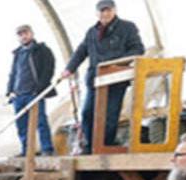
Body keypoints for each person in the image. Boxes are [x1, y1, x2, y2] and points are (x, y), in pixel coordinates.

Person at [61, 0, 145, 153]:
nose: (104, 14)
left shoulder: (127, 27)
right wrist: (69, 68)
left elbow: (138, 49)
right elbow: (81, 51)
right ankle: (90, 144)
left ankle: (106, 144)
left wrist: (116, 63)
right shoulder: (92, 31)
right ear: (96, 13)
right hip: (95, 78)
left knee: (110, 114)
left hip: (116, 77)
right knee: (87, 112)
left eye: (108, 10)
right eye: (101, 11)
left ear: (114, 10)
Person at [8, 25, 57, 156]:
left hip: (34, 93)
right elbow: (13, 73)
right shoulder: (17, 54)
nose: (23, 36)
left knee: (40, 122)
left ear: (31, 33)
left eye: (25, 33)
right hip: (19, 95)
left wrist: (40, 88)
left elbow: (49, 69)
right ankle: (26, 151)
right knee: (21, 125)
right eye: (20, 34)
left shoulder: (42, 50)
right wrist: (10, 90)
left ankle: (47, 149)